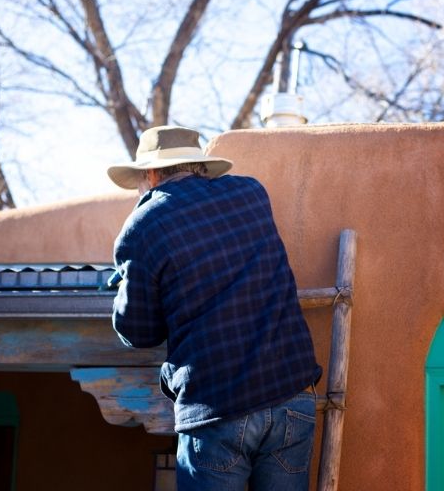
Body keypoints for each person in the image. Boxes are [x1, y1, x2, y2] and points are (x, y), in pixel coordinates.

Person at [107, 125, 321, 491]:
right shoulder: (251, 193)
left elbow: (137, 332)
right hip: (291, 392)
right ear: (200, 166)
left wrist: (126, 280)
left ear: (151, 173)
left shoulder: (144, 224)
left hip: (216, 404)